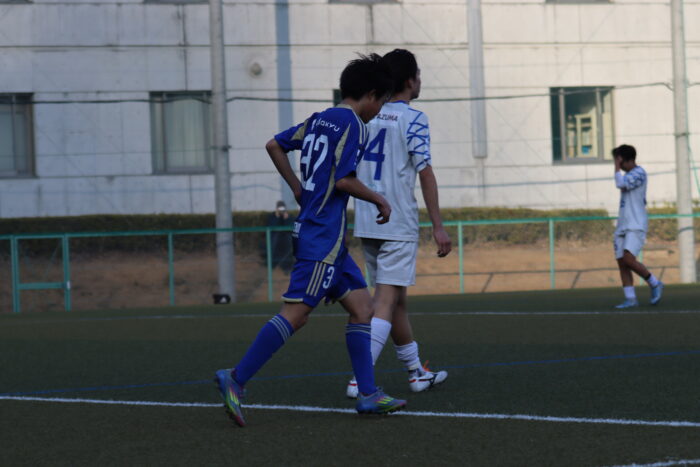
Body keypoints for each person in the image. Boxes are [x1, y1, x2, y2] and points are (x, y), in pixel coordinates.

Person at [214, 54, 406, 427]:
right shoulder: (354, 125)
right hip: (322, 238)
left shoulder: (320, 119)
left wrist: (297, 188)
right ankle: (235, 378)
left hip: (325, 239)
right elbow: (343, 180)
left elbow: (274, 145)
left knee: (362, 308)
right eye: (381, 101)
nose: (379, 110)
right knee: (296, 315)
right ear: (370, 94)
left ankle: (368, 394)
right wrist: (379, 199)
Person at [346, 49, 452, 398]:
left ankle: (416, 372)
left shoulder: (367, 116)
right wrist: (438, 226)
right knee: (385, 301)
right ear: (409, 80)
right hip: (397, 221)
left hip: (368, 219)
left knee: (395, 300)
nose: (420, 81)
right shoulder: (414, 118)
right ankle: (360, 379)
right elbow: (425, 172)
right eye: (418, 75)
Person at [612, 144, 664, 309]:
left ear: (625, 159)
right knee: (622, 262)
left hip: (635, 224)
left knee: (629, 258)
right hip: (623, 224)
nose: (618, 165)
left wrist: (616, 167)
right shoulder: (628, 174)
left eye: (619, 160)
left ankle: (654, 283)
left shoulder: (639, 173)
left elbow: (621, 183)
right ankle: (630, 298)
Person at [267, 200, 294, 273]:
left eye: (282, 209)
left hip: (286, 237)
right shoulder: (272, 216)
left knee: (289, 244)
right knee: (273, 243)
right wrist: (277, 217)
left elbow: (292, 227)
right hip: (275, 237)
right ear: (277, 209)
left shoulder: (289, 216)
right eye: (280, 209)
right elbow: (270, 226)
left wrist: (287, 219)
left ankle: (287, 266)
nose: (281, 211)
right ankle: (272, 265)